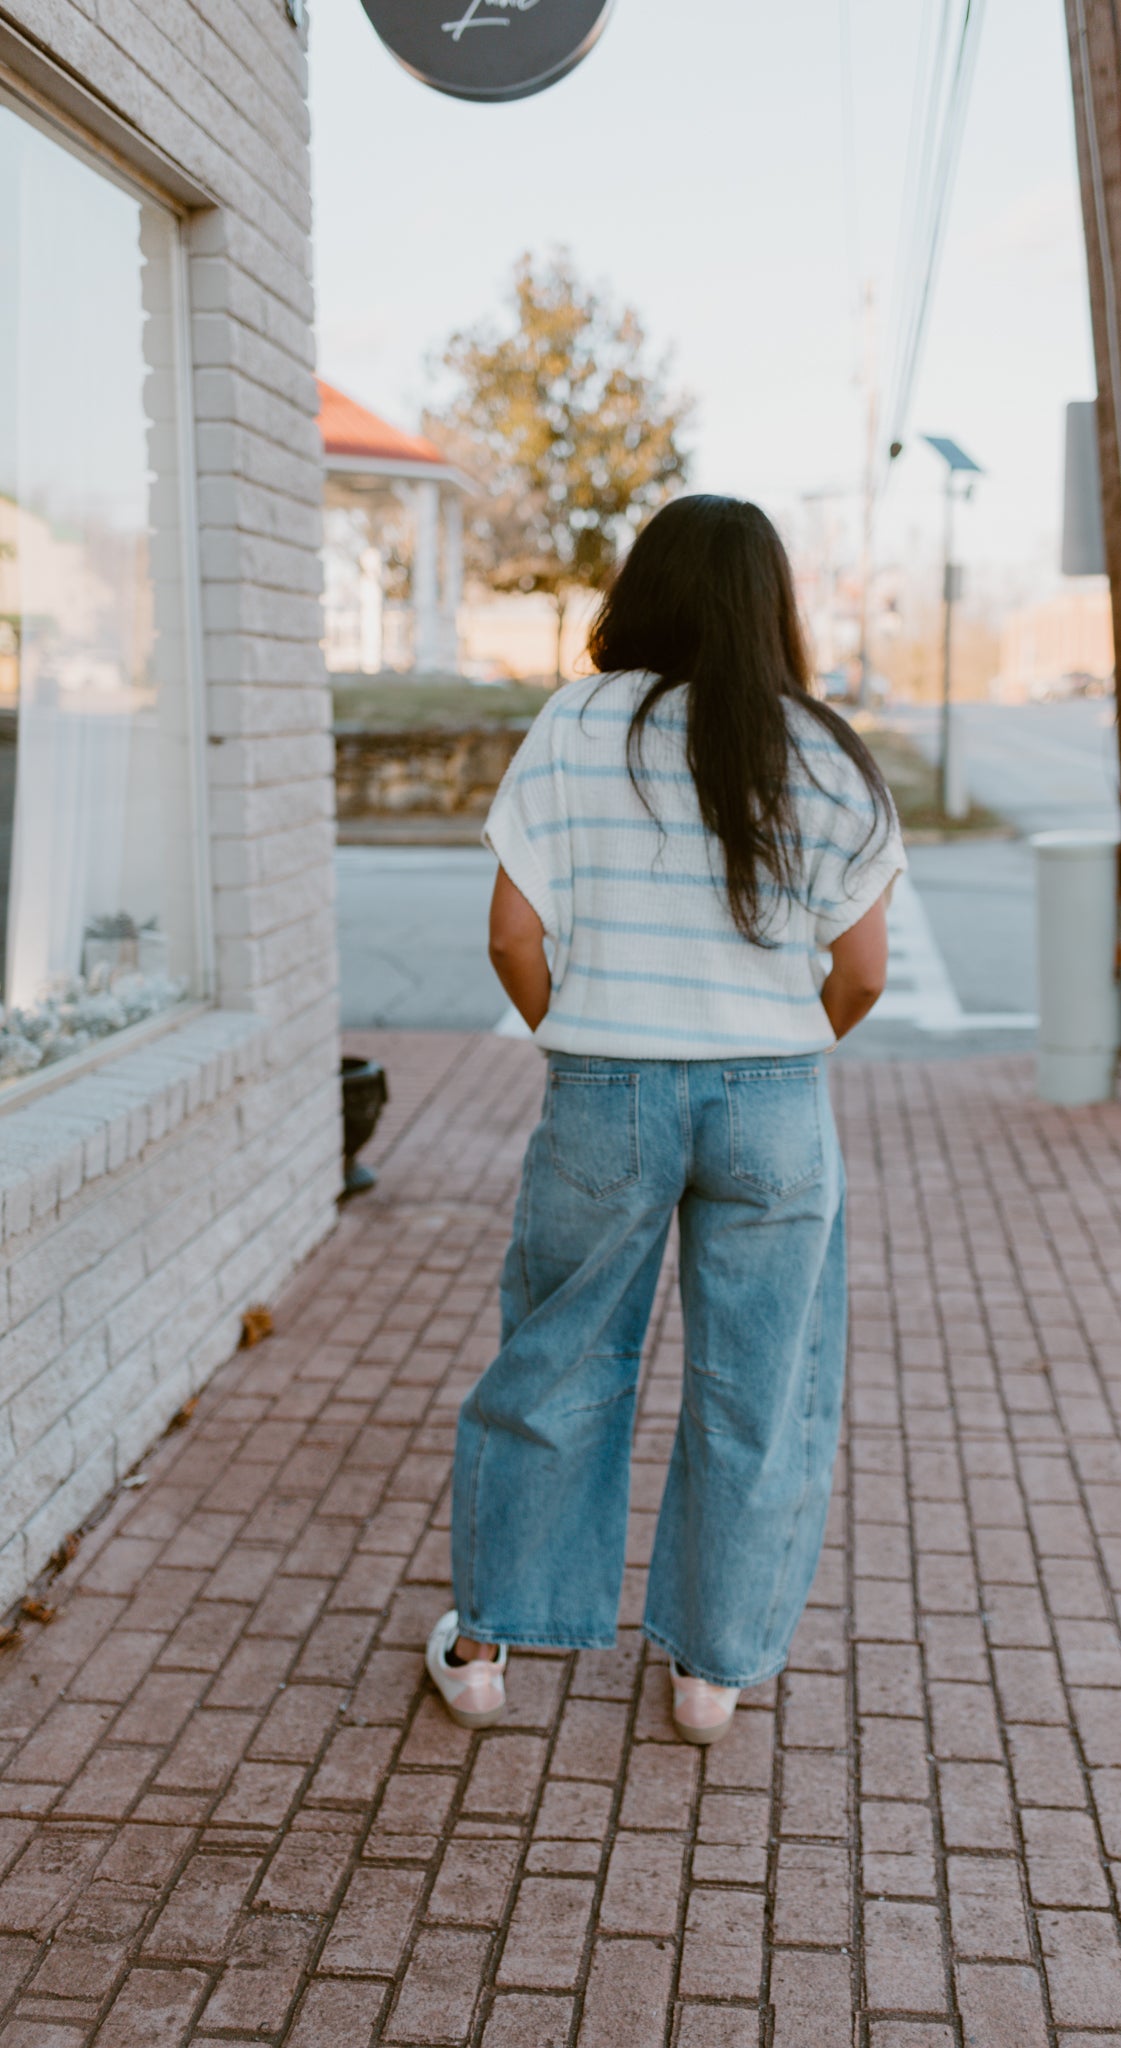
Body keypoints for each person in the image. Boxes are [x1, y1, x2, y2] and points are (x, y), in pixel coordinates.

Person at [426, 495, 905, 1745]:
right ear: (769, 606)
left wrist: (574, 1035)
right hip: (772, 1103)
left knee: (557, 1357)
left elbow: (507, 934)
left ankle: (483, 1651)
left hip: (606, 1089)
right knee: (760, 1387)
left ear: (643, 592)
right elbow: (858, 973)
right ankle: (708, 1673)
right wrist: (780, 1049)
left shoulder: (577, 722)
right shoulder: (823, 749)